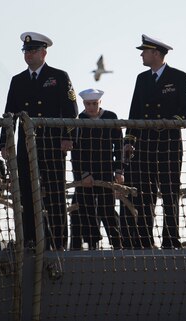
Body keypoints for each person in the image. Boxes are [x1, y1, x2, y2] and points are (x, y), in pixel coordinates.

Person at [0, 32, 78, 250]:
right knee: (26, 192)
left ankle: (59, 242)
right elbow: (9, 114)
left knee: (55, 192)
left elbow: (71, 110)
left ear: (44, 52)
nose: (29, 55)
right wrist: (5, 143)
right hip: (26, 144)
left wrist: (68, 137)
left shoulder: (59, 76)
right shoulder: (18, 81)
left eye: (33, 51)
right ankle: (31, 240)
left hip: (52, 143)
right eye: (26, 51)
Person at [121, 35, 186, 249]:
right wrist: (129, 140)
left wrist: (172, 122)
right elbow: (134, 112)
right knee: (145, 195)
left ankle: (170, 240)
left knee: (169, 193)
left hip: (169, 144)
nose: (141, 55)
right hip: (144, 145)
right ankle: (145, 241)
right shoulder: (142, 79)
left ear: (156, 53)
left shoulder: (179, 77)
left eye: (144, 51)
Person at [70, 88, 124, 250]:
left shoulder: (111, 118)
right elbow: (76, 150)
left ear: (100, 103)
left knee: (107, 209)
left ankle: (117, 243)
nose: (91, 107)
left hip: (106, 171)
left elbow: (119, 146)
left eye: (94, 103)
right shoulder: (78, 120)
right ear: (83, 104)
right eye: (88, 104)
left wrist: (119, 170)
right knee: (85, 209)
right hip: (85, 172)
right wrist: (83, 174)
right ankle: (92, 244)